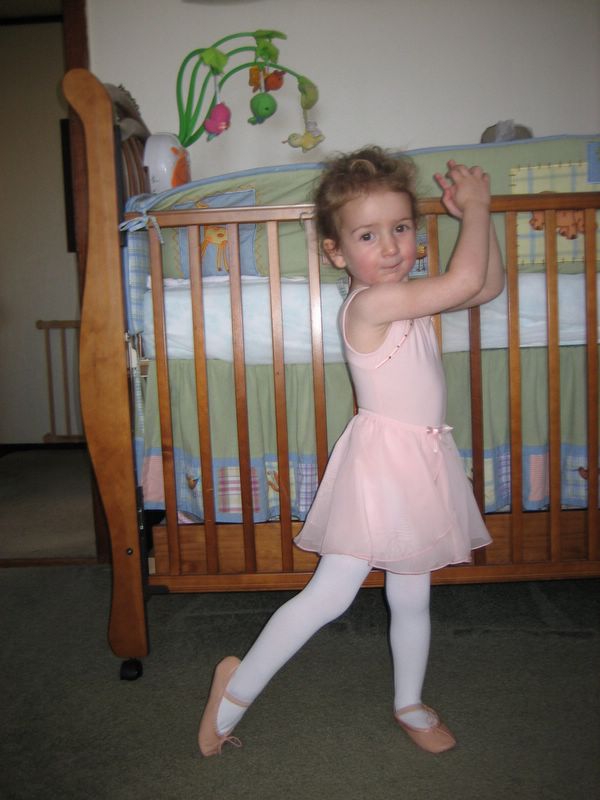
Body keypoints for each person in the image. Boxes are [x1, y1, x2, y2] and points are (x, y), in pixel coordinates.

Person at [199, 146, 504, 757]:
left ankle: (409, 702)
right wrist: (474, 208)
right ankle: (233, 691)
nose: (390, 247)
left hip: (418, 463)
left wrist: (483, 217)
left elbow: (486, 286)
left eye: (401, 228)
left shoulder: (408, 294)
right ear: (336, 252)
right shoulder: (370, 305)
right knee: (331, 593)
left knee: (412, 592)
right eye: (368, 235)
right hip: (382, 468)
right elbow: (467, 280)